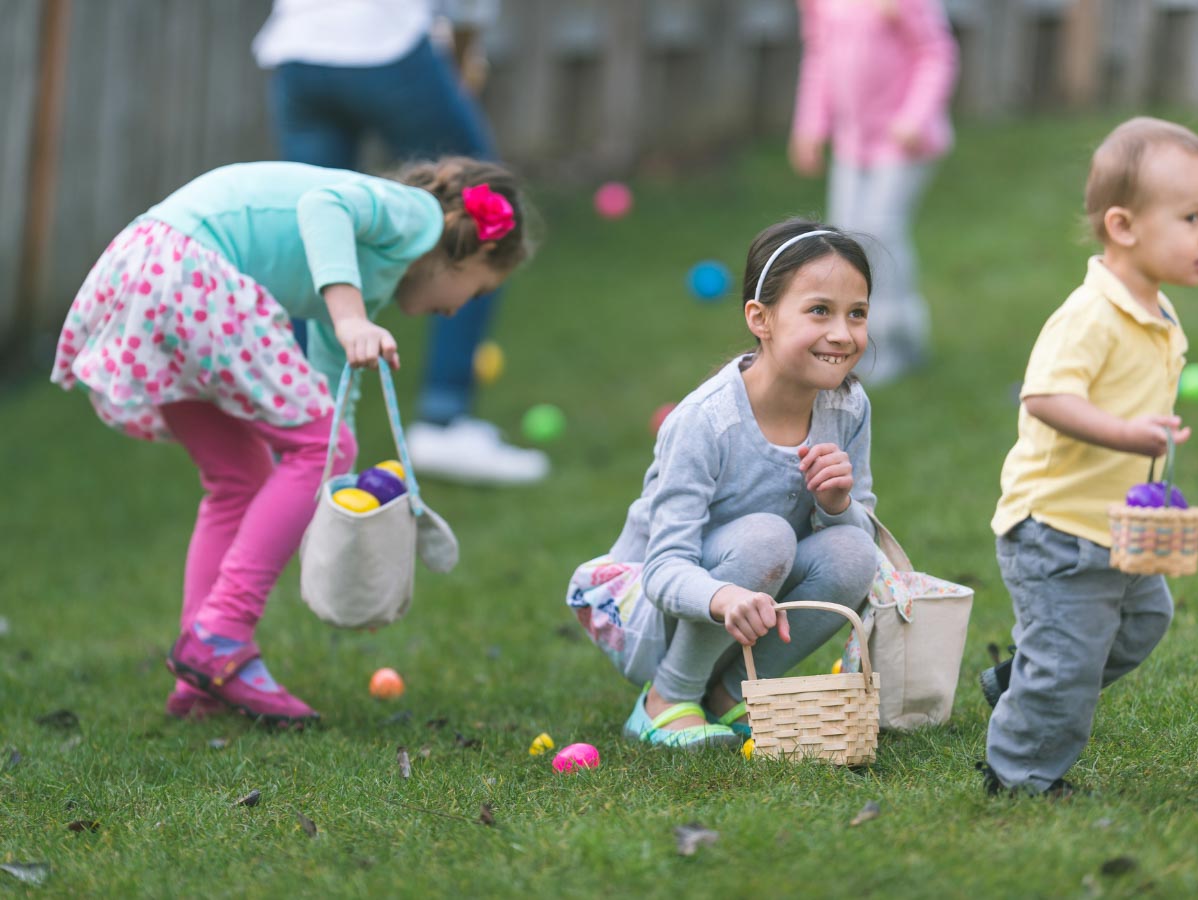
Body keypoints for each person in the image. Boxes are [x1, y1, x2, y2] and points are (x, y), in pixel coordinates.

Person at [51, 156, 533, 726]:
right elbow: (322, 206)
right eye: (476, 293)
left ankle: (202, 677)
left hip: (154, 268)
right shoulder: (417, 215)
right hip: (191, 271)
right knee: (304, 454)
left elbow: (331, 423)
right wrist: (351, 318)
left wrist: (333, 517)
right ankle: (223, 633)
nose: (457, 310)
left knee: (243, 478)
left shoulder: (364, 281)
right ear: (474, 250)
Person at [566, 221, 880, 749]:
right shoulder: (705, 422)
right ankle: (666, 699)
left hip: (751, 602)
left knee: (853, 551)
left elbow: (863, 535)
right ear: (761, 319)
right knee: (767, 536)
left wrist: (837, 504)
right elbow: (664, 570)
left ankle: (732, 695)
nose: (843, 334)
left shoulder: (848, 406)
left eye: (858, 313)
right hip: (649, 612)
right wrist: (723, 595)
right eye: (819, 310)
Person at [979, 117, 1198, 797]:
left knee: (1145, 622)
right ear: (1124, 227)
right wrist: (1128, 432)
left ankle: (1022, 679)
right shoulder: (1089, 315)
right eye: (1193, 217)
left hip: (1118, 526)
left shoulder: (1158, 312)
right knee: (1070, 662)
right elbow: (1046, 397)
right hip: (1057, 529)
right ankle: (1019, 776)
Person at [252, 0, 548, 485]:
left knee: (311, 233)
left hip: (297, 50)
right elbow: (469, 11)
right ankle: (444, 417)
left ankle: (297, 434)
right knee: (484, 207)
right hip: (385, 42)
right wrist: (460, 63)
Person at [790, 0, 957, 386]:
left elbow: (937, 53)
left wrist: (914, 118)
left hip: (903, 141)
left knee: (880, 234)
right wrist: (811, 124)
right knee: (842, 241)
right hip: (853, 142)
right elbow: (819, 58)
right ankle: (849, 337)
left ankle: (898, 338)